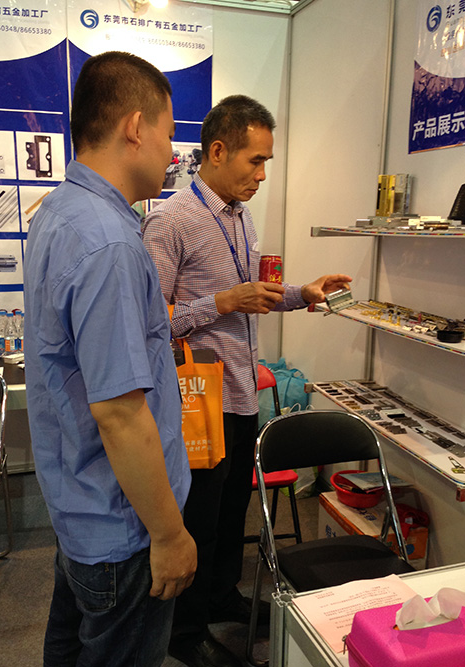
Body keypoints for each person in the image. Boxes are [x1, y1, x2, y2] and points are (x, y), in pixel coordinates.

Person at [143, 94, 352, 667]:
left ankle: (220, 597)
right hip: (196, 401)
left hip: (240, 392)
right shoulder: (171, 220)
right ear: (217, 151)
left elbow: (251, 296)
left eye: (266, 162)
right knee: (198, 519)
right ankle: (185, 632)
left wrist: (302, 293)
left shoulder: (240, 214)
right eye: (255, 161)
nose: (262, 175)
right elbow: (149, 319)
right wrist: (222, 301)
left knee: (232, 510)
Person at [23, 51, 196, 667]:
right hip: (124, 529)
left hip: (82, 507)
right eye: (170, 133)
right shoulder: (109, 243)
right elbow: (120, 414)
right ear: (135, 127)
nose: (173, 153)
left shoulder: (60, 213)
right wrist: (170, 535)